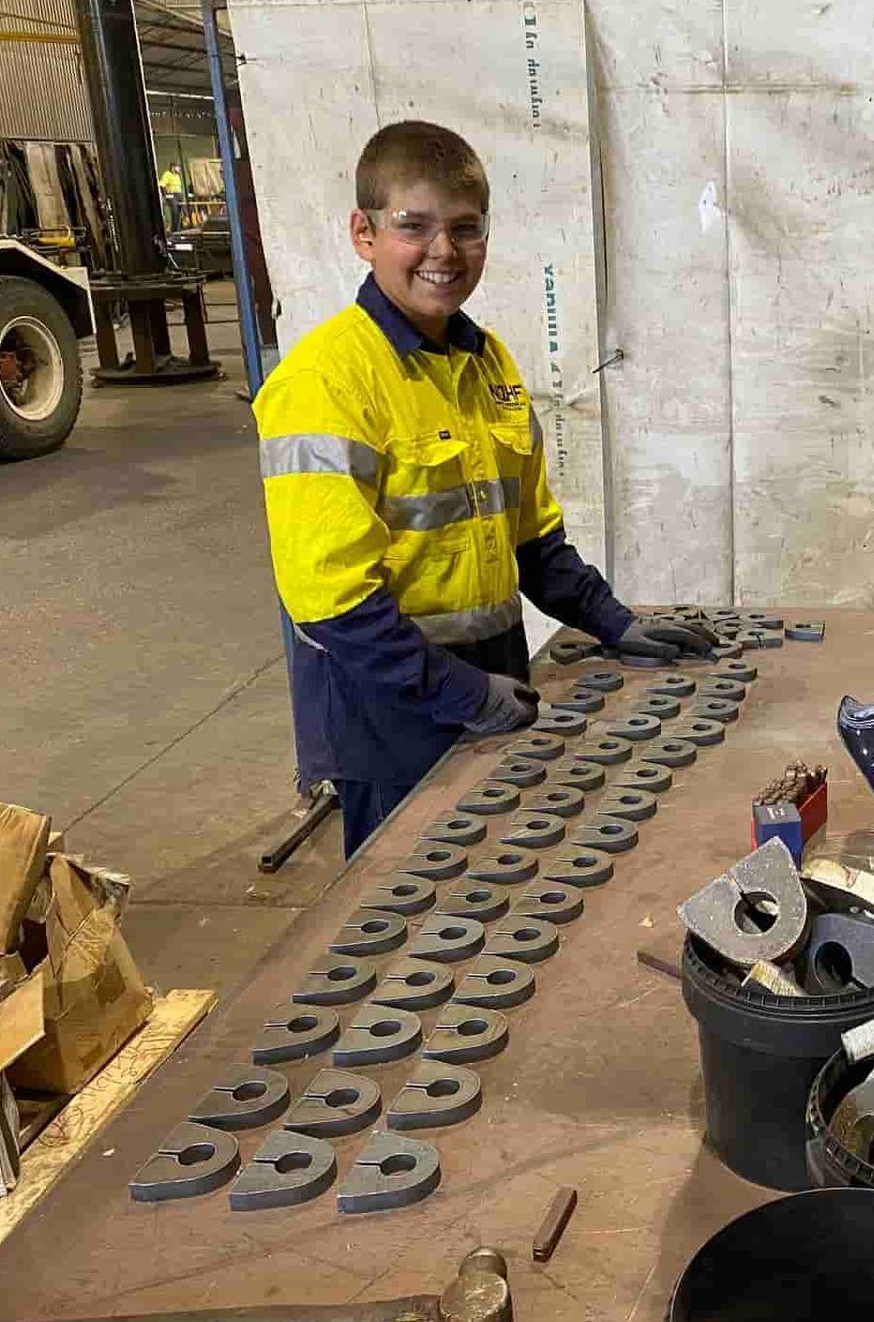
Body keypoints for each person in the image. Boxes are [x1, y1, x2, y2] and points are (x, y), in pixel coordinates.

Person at [253, 120, 709, 856]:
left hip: (493, 682)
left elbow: (529, 535)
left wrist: (613, 621)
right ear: (362, 234)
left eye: (465, 229)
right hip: (389, 711)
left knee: (497, 876)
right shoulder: (324, 384)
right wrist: (458, 694)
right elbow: (332, 603)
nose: (443, 252)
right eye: (414, 227)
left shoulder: (486, 360)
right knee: (404, 927)